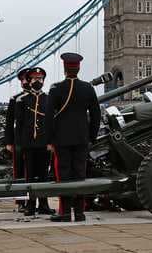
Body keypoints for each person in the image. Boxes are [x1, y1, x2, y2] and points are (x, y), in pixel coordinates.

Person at [45, 53, 101, 222]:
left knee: (64, 175)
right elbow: (96, 114)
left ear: (64, 68)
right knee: (80, 174)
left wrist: (49, 140)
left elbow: (48, 116)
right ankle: (79, 212)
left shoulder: (56, 89)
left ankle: (64, 213)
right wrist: (92, 136)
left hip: (62, 139)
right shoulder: (88, 88)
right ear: (78, 68)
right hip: (82, 138)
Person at [16, 66, 54, 216]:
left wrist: (51, 142)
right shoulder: (22, 100)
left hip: (44, 143)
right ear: (29, 81)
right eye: (34, 79)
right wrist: (19, 144)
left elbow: (52, 122)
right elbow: (18, 124)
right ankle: (30, 206)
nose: (37, 81)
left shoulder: (49, 99)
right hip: (29, 144)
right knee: (30, 175)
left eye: (40, 79)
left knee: (44, 175)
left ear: (43, 81)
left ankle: (44, 204)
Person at [5, 68, 30, 211]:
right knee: (19, 171)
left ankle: (38, 201)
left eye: (26, 79)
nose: (24, 82)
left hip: (36, 141)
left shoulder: (42, 97)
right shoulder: (15, 99)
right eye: (22, 80)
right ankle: (21, 202)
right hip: (19, 141)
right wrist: (9, 142)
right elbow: (9, 122)